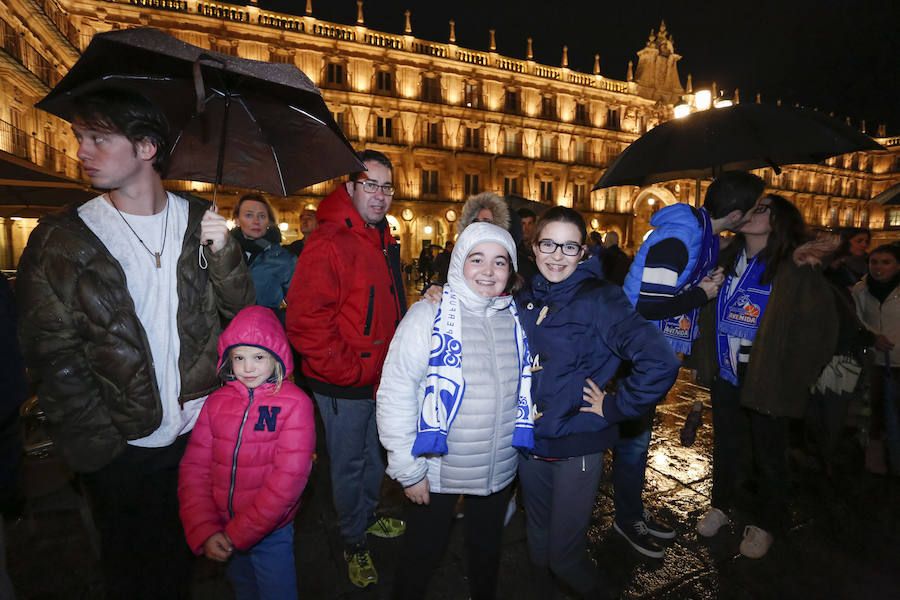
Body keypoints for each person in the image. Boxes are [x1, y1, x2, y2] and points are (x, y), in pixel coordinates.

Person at [16, 86, 255, 599]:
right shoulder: (62, 239)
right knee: (129, 569)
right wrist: (102, 444)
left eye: (99, 138)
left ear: (146, 148)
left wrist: (226, 253)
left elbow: (241, 317)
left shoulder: (197, 222)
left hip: (194, 430)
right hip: (119, 445)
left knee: (180, 562)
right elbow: (50, 353)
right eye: (80, 137)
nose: (81, 151)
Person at [517, 207, 680, 597]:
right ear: (534, 246)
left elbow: (660, 361)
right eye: (548, 244)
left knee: (565, 558)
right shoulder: (525, 294)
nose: (557, 255)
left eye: (569, 246)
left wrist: (614, 407)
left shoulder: (601, 298)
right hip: (528, 442)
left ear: (582, 252)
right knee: (537, 544)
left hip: (577, 445)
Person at [377, 222, 534, 600]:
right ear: (460, 261)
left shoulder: (515, 318)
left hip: (497, 467)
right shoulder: (427, 316)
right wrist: (408, 470)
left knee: (486, 554)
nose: (488, 270)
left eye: (500, 262)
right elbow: (395, 393)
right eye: (477, 259)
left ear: (510, 270)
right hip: (438, 469)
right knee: (421, 556)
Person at [611, 171, 762, 558]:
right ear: (737, 214)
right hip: (635, 350)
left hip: (645, 347)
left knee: (639, 439)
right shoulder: (679, 239)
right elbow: (646, 303)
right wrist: (699, 293)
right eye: (753, 209)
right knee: (634, 440)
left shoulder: (696, 235)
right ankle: (626, 521)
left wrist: (699, 283)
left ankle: (632, 512)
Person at [690, 194, 838, 559]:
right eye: (748, 206)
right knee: (726, 443)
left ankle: (767, 522)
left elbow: (819, 330)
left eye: (760, 209)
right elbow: (707, 312)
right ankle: (721, 504)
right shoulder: (725, 258)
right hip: (727, 368)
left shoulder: (797, 266)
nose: (748, 213)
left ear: (778, 219)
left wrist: (794, 375)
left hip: (768, 373)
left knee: (769, 454)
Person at [286, 149, 407, 588]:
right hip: (344, 381)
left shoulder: (381, 237)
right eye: (370, 184)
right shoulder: (329, 240)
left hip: (378, 376)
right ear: (350, 188)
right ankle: (351, 539)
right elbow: (304, 320)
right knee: (348, 465)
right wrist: (346, 369)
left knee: (376, 454)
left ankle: (368, 515)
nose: (380, 195)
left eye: (386, 186)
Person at [179, 305, 315, 599]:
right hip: (221, 527)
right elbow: (194, 468)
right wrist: (205, 528)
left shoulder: (295, 404)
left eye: (258, 357)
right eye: (239, 357)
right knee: (244, 590)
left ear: (277, 357)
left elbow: (288, 481)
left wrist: (238, 533)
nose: (248, 367)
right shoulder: (215, 403)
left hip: (270, 531)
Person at [852, 244, 900, 475]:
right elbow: (857, 320)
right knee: (876, 409)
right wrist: (872, 337)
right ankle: (877, 456)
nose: (878, 267)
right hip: (876, 361)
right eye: (874, 262)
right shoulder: (860, 290)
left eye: (886, 262)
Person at [231, 193, 297, 323]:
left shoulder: (284, 259)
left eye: (262, 216)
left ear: (268, 221)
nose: (256, 221)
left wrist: (276, 320)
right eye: (249, 215)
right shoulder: (223, 253)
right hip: (225, 333)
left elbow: (300, 305)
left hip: (263, 334)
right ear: (237, 220)